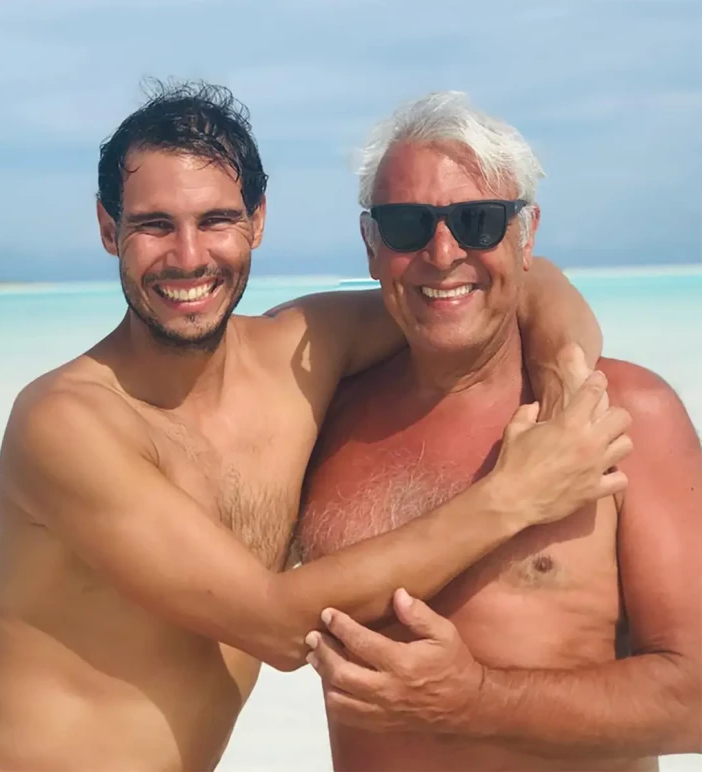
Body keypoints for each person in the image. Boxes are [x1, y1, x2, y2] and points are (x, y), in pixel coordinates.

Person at [0, 82, 630, 772]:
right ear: (109, 229)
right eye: (154, 225)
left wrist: (567, 385)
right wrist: (516, 494)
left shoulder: (304, 354)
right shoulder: (66, 419)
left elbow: (527, 283)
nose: (190, 256)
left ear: (258, 221)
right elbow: (279, 625)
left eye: (217, 220)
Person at [295, 91, 702, 771]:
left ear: (527, 234)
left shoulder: (622, 414)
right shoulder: (323, 429)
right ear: (371, 245)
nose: (443, 251)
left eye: (479, 221)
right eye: (406, 225)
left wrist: (475, 700)